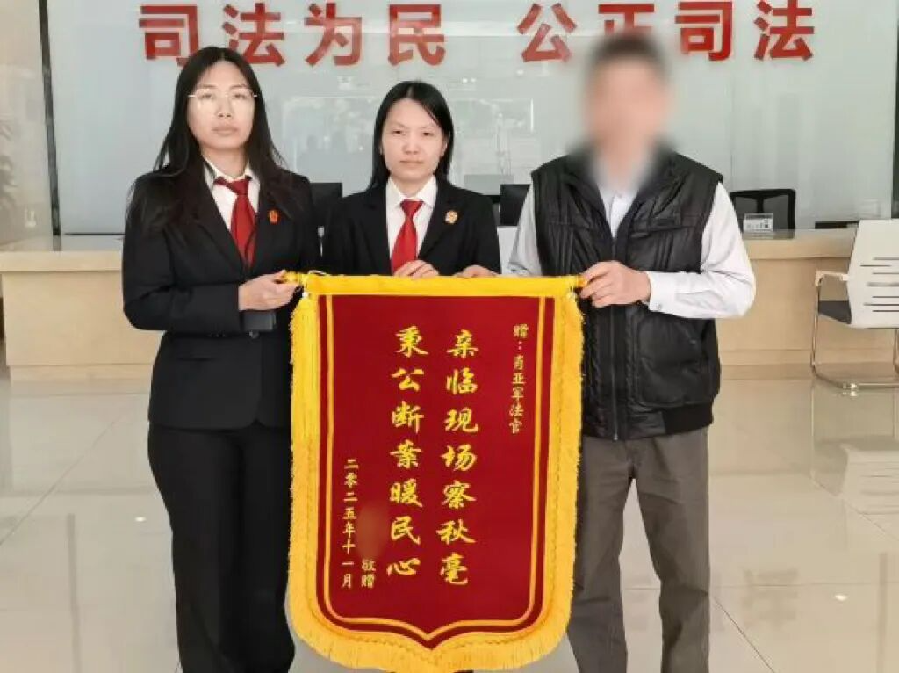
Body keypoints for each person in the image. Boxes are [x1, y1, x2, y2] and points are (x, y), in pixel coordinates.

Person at [503, 34, 755, 673]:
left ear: (661, 104)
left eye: (637, 94)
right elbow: (525, 284)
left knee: (686, 571)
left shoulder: (699, 189)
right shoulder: (548, 188)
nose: (621, 109)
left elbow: (737, 289)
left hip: (673, 413)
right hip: (584, 417)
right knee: (585, 573)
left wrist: (647, 285)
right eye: (606, 94)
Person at [122, 46, 320, 673]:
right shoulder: (158, 195)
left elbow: (318, 290)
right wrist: (237, 298)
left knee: (266, 561)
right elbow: (144, 303)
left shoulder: (293, 193)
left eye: (238, 95)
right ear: (187, 111)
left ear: (256, 108)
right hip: (193, 415)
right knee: (204, 560)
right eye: (207, 96)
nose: (225, 110)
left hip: (277, 407)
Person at [322, 81, 500, 278]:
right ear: (380, 142)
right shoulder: (345, 215)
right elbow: (327, 294)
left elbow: (491, 293)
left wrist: (449, 287)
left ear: (444, 144)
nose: (411, 147)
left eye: (426, 134)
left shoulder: (475, 211)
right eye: (399, 132)